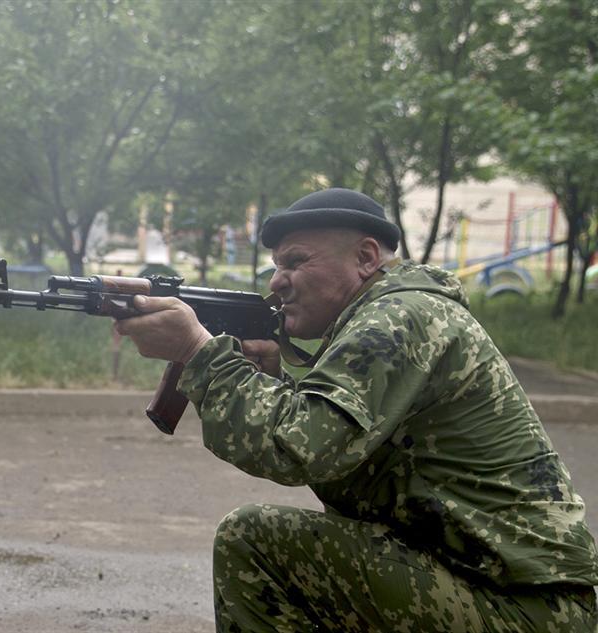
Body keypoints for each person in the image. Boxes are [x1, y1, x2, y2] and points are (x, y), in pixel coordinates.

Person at [115, 188, 598, 631]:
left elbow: (299, 449)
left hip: (525, 605)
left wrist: (200, 352)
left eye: (296, 261)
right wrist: (269, 384)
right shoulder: (392, 314)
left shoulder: (399, 317)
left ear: (366, 257)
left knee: (254, 540)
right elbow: (350, 461)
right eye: (274, 267)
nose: (278, 281)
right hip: (493, 583)